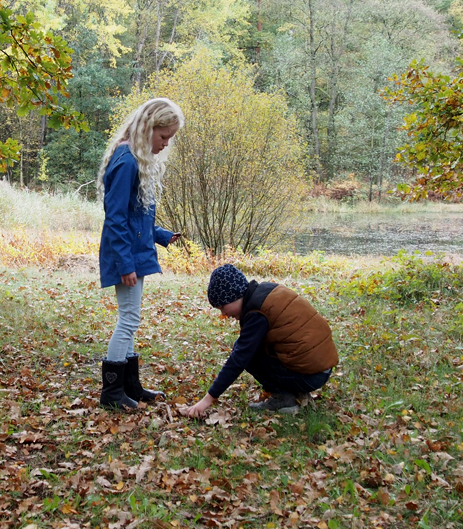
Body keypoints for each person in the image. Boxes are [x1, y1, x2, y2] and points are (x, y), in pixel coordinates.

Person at [97, 97, 184, 410]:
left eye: (169, 138)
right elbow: (116, 217)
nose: (165, 144)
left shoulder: (134, 157)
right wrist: (125, 263)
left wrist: (160, 235)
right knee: (129, 320)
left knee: (131, 318)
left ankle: (130, 385)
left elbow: (137, 215)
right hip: (126, 257)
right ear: (148, 129)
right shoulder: (127, 160)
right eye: (163, 137)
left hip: (133, 254)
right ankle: (112, 393)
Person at [184, 264, 338, 417]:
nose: (223, 313)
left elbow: (239, 359)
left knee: (246, 353)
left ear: (236, 295)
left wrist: (208, 399)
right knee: (247, 347)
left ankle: (284, 398)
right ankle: (291, 393)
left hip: (311, 376)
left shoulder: (256, 312)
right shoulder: (265, 291)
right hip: (320, 369)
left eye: (223, 306)